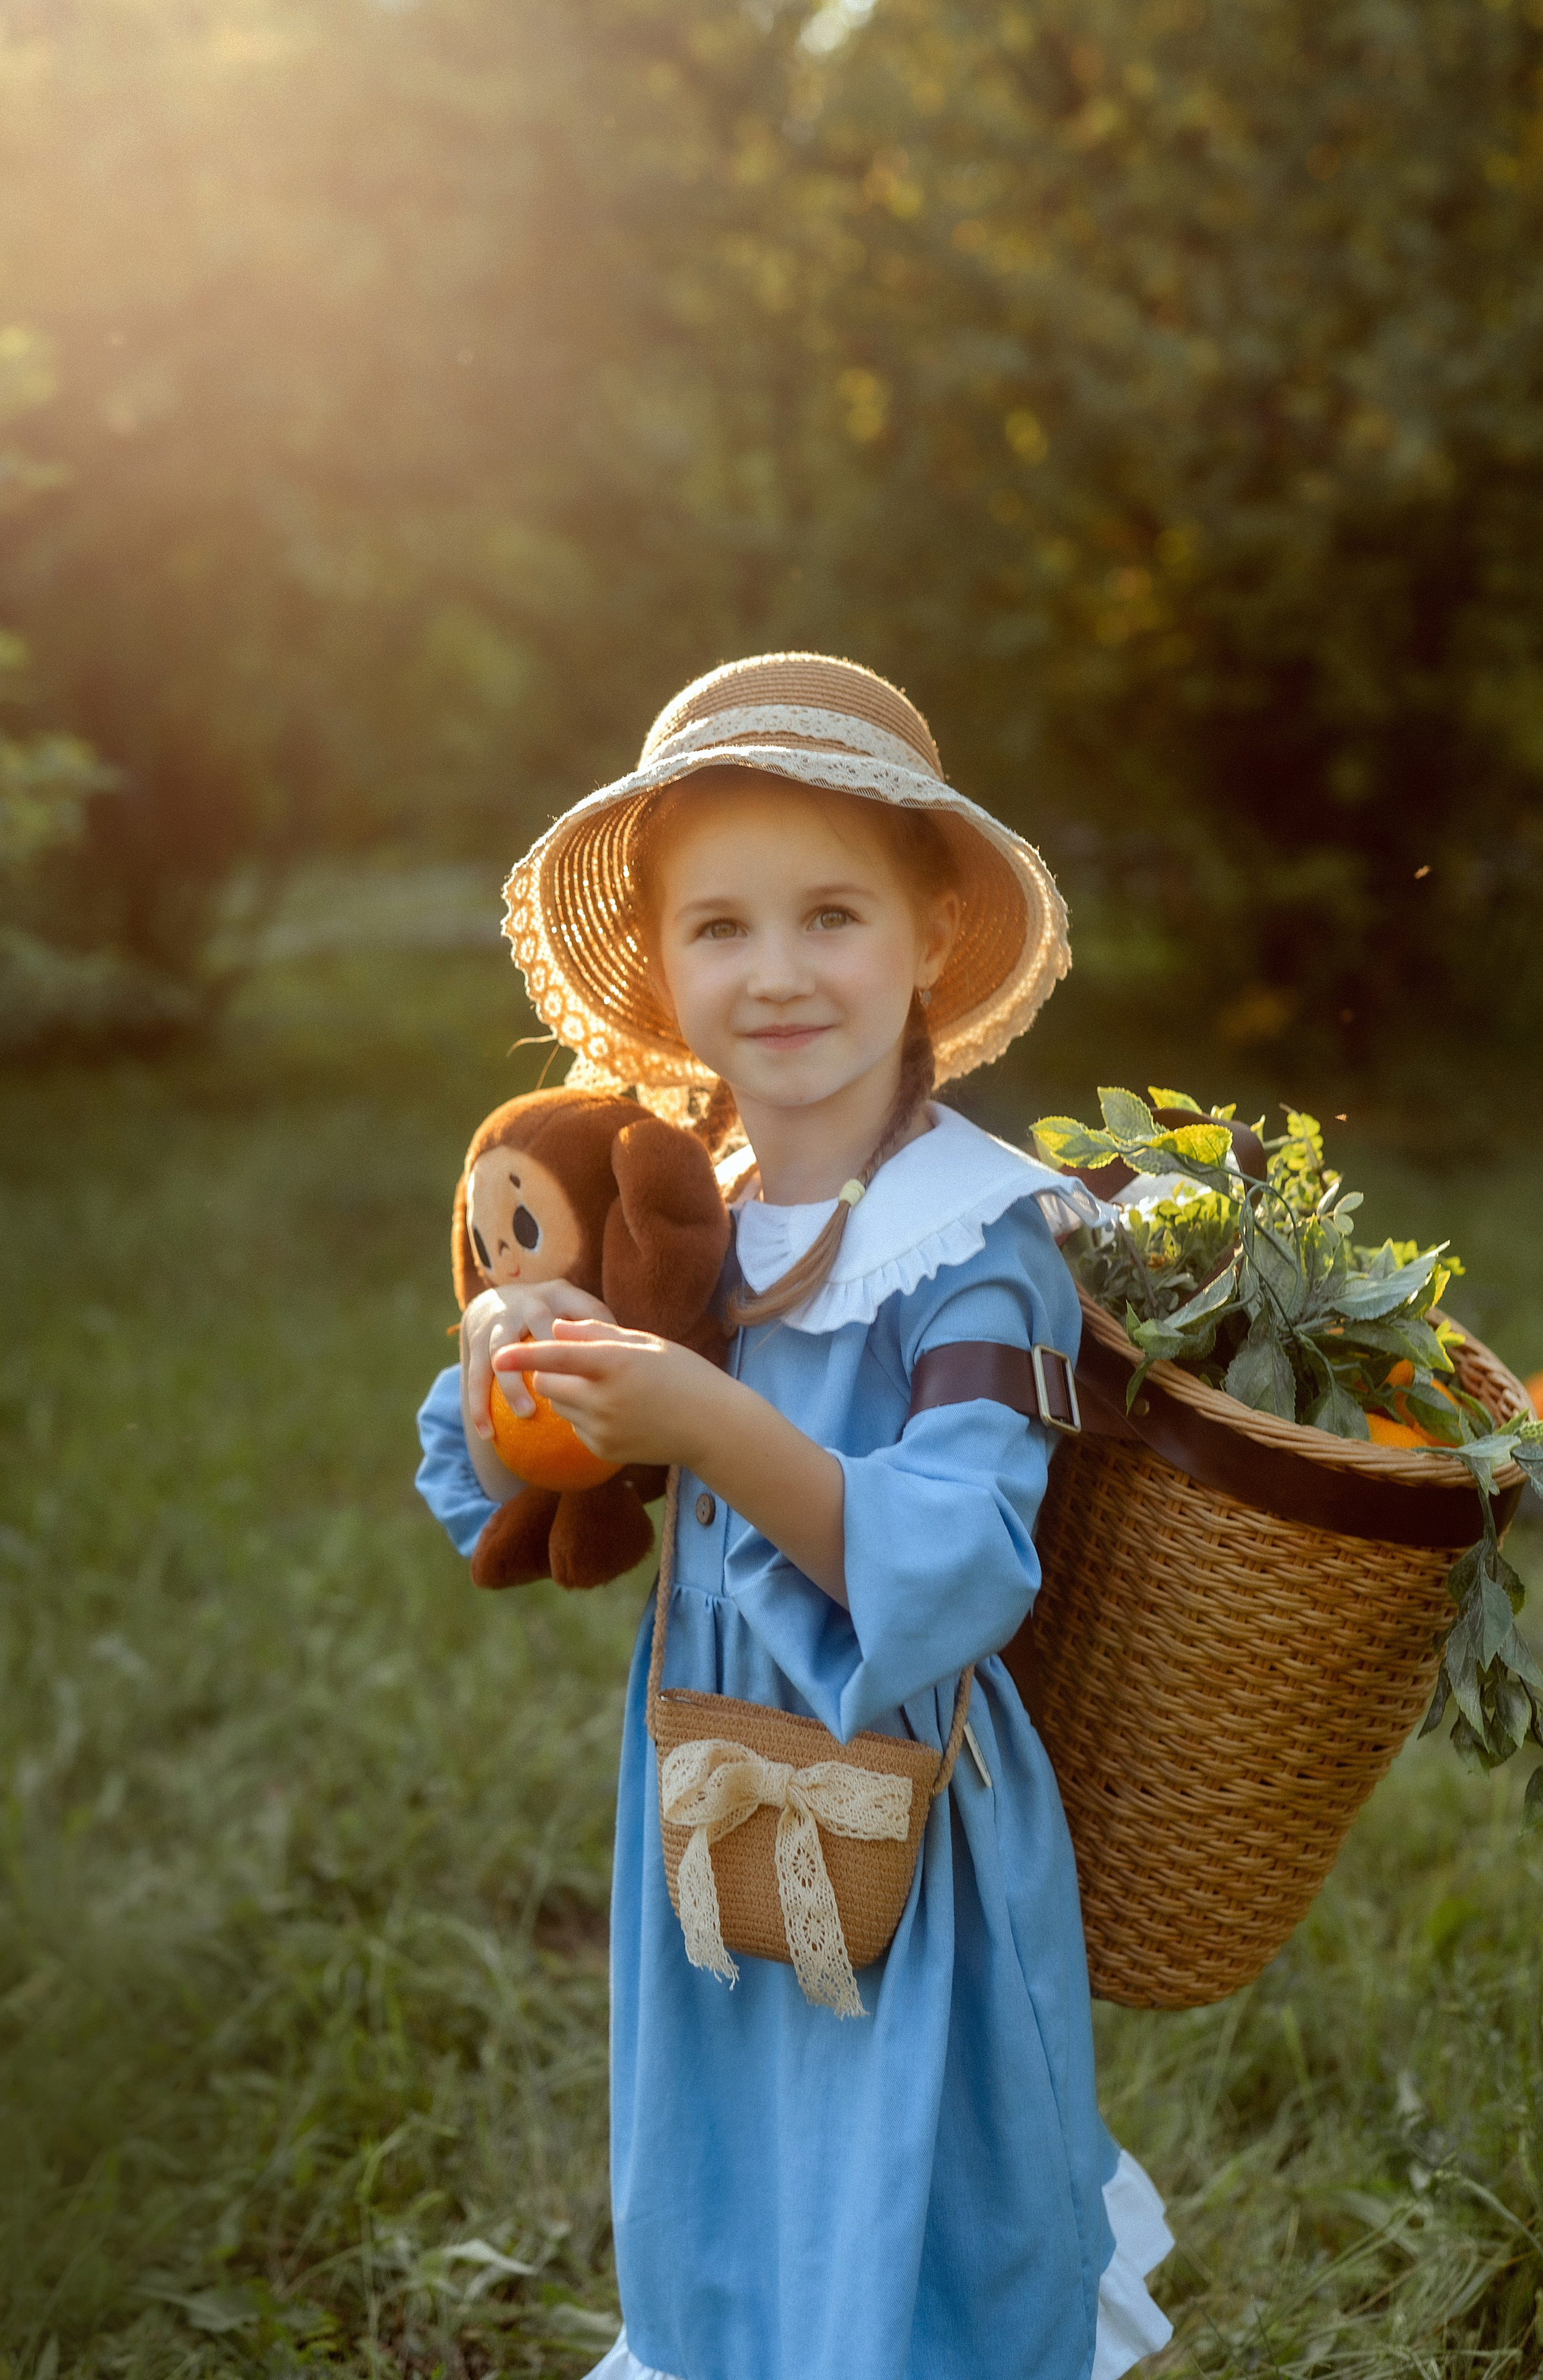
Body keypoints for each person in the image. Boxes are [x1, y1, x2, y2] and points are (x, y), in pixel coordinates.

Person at [414, 653, 1174, 2380]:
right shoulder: (683, 1215)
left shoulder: (982, 1240)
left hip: (911, 1804)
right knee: (732, 2165)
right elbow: (509, 1478)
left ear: (925, 943)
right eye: (721, 928)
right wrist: (506, 1354)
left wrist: (711, 1422)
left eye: (831, 915)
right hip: (706, 1780)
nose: (776, 974)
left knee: (921, 2194)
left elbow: (962, 1551)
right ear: (668, 972)